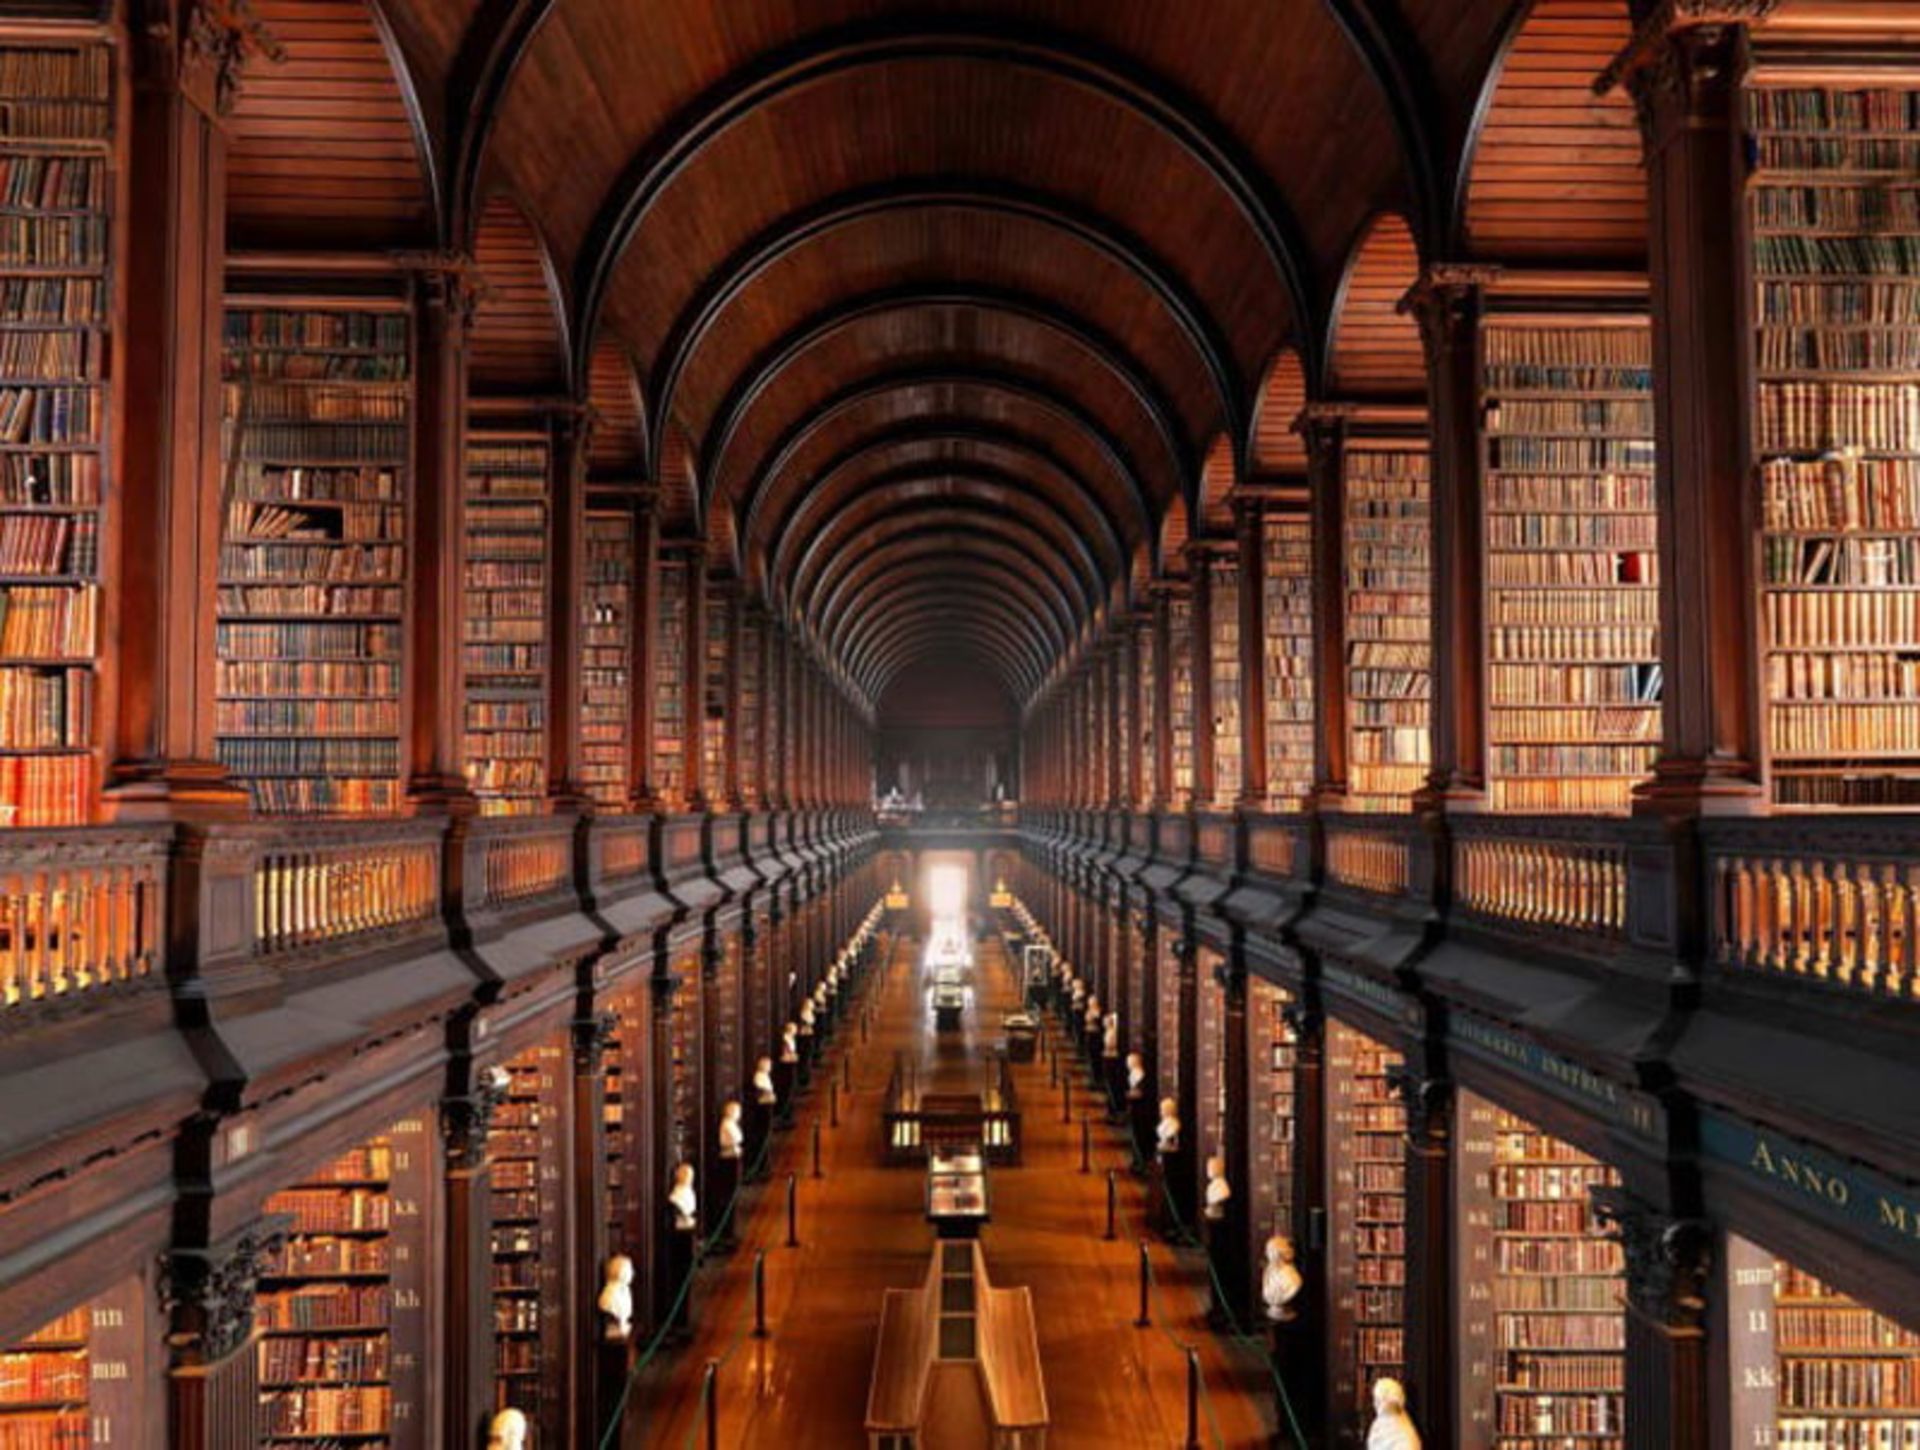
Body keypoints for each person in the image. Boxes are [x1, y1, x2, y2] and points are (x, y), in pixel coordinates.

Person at [1367, 1378, 1422, 1450]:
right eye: (1376, 1400)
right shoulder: (1378, 1424)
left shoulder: (1404, 1436)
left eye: (1379, 1400)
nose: (1375, 1404)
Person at [1262, 1236, 1303, 1323]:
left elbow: (1294, 1286)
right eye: (1268, 1251)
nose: (1267, 1254)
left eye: (1271, 1251)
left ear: (1279, 1253)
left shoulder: (1290, 1275)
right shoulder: (1270, 1271)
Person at [598, 1254, 635, 1340]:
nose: (632, 1273)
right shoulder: (611, 1292)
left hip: (622, 1327)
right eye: (629, 1270)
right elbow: (605, 1305)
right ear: (621, 1272)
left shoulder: (625, 1290)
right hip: (614, 1330)